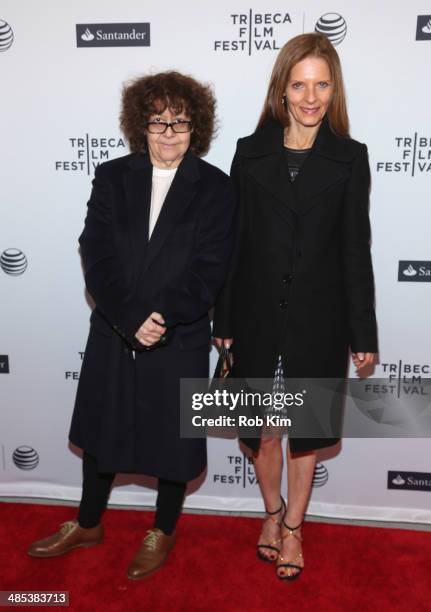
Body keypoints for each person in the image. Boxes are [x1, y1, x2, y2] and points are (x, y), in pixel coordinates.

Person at [28, 71, 235, 580]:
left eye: (180, 122)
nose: (168, 133)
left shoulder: (215, 187)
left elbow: (211, 268)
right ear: (139, 125)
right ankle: (88, 522)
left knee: (172, 445)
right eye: (158, 121)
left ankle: (161, 529)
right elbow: (94, 251)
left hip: (178, 335)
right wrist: (129, 318)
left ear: (197, 127)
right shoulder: (112, 174)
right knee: (102, 434)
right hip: (116, 333)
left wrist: (158, 319)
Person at [213, 33, 378, 581]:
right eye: (299, 84)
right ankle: (271, 513)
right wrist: (226, 319)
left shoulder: (351, 159)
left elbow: (356, 250)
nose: (311, 97)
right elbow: (233, 243)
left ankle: (294, 530)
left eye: (322, 84)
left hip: (318, 322)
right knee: (262, 430)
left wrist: (363, 333)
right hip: (258, 319)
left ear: (335, 89)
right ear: (281, 90)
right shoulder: (248, 151)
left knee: (304, 433)